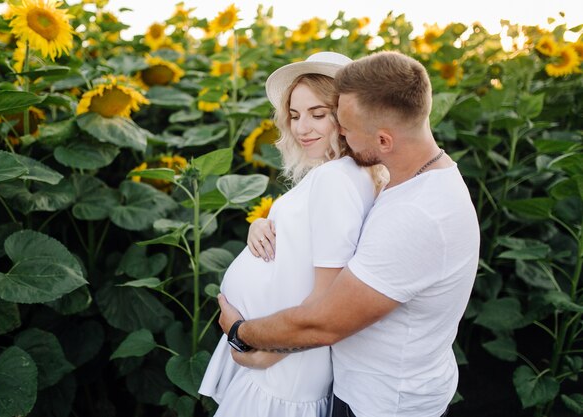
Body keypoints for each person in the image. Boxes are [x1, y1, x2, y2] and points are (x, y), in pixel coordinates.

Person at [217, 50, 481, 417]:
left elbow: (323, 322)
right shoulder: (408, 180)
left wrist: (241, 333)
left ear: (384, 141)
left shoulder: (416, 213)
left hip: (379, 402)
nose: (341, 135)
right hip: (363, 385)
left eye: (346, 126)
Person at [199, 52, 388, 417]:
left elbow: (327, 301)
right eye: (295, 115)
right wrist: (265, 223)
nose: (302, 128)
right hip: (282, 362)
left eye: (318, 114)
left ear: (347, 115)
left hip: (283, 368)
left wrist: (262, 353)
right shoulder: (341, 172)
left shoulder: (336, 178)